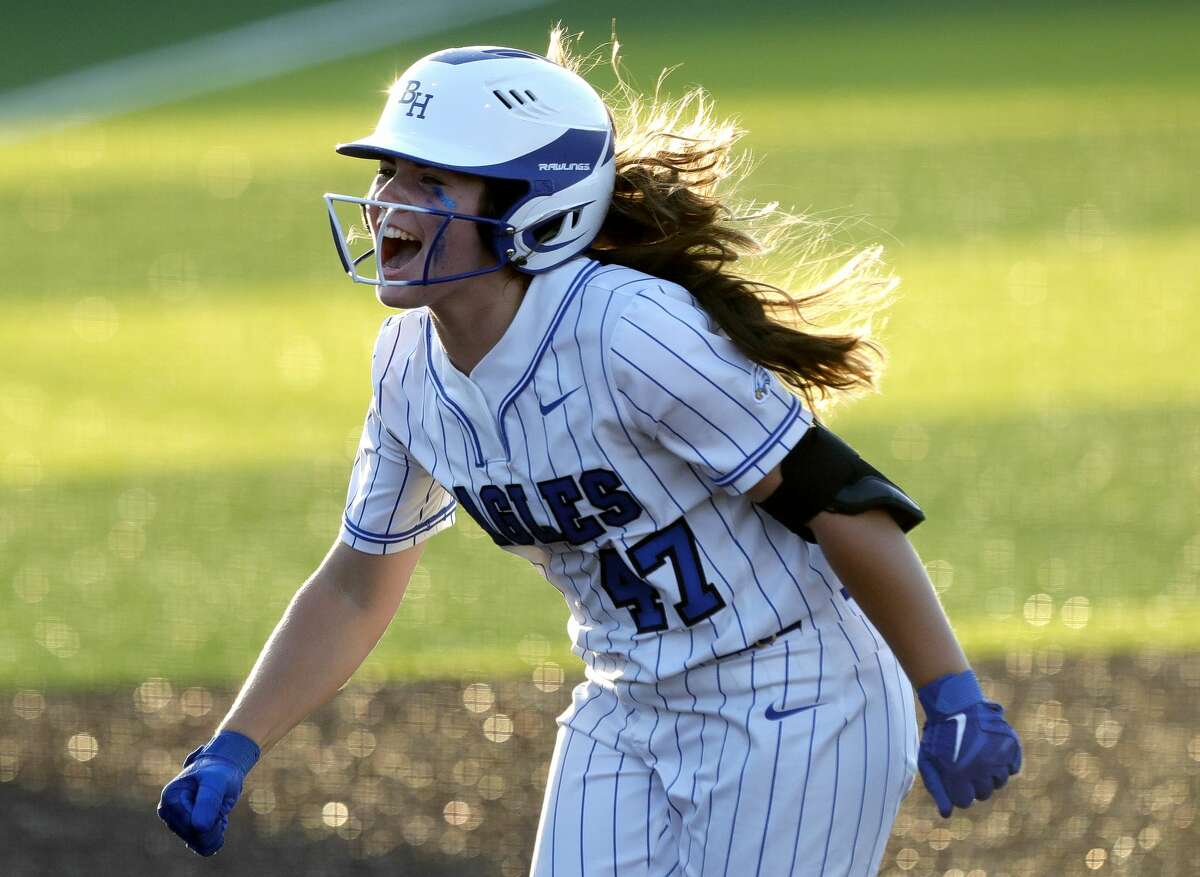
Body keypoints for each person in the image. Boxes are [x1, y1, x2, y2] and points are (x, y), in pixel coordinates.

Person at [158, 31, 1021, 875]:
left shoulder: (625, 328)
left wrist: (949, 691)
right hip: (627, 702)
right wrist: (234, 745)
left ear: (534, 208)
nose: (388, 203)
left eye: (431, 180)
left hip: (798, 697)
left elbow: (839, 500)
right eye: (388, 172)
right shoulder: (405, 365)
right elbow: (356, 582)